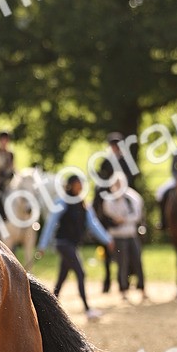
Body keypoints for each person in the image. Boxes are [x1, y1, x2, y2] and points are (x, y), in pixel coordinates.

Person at [38, 174, 115, 320]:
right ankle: (87, 309)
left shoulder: (84, 204)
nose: (80, 186)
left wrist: (107, 239)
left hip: (72, 244)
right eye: (77, 183)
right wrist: (42, 245)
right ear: (71, 185)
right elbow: (50, 223)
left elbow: (93, 225)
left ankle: (49, 309)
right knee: (81, 273)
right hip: (63, 243)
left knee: (62, 277)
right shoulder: (62, 202)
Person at [93, 131, 138, 292]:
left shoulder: (126, 161)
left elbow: (131, 179)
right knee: (97, 193)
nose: (114, 148)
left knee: (134, 199)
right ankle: (94, 218)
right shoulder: (106, 161)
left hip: (123, 191)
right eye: (112, 145)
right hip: (109, 192)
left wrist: (120, 189)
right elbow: (101, 178)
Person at [101, 174, 147, 299]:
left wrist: (123, 220)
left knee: (137, 261)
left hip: (130, 234)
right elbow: (108, 217)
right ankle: (123, 289)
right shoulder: (109, 200)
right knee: (122, 263)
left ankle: (142, 288)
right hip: (117, 236)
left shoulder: (132, 198)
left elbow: (136, 216)